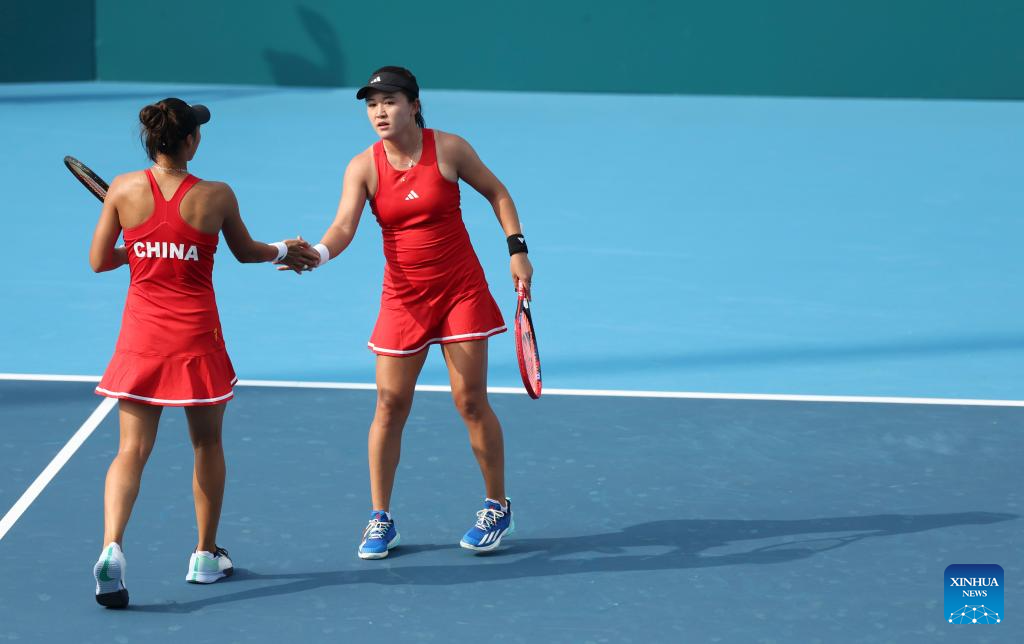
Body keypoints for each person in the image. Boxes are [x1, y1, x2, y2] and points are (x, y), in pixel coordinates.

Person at [88, 98, 318, 608]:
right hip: (197, 341)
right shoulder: (216, 196)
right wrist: (285, 249)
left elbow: (100, 260)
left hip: (141, 340)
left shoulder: (123, 189)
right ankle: (204, 555)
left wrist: (140, 250)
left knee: (131, 451)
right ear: (191, 141)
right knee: (207, 444)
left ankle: (112, 547)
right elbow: (247, 252)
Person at [305, 66, 534, 558]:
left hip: (460, 292)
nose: (379, 112)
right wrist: (319, 254)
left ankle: (497, 505)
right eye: (372, 104)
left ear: (413, 105)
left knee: (470, 402)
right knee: (389, 404)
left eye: (389, 101)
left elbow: (497, 193)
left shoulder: (449, 149)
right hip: (403, 298)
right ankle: (379, 518)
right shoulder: (363, 167)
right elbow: (343, 227)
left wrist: (516, 249)